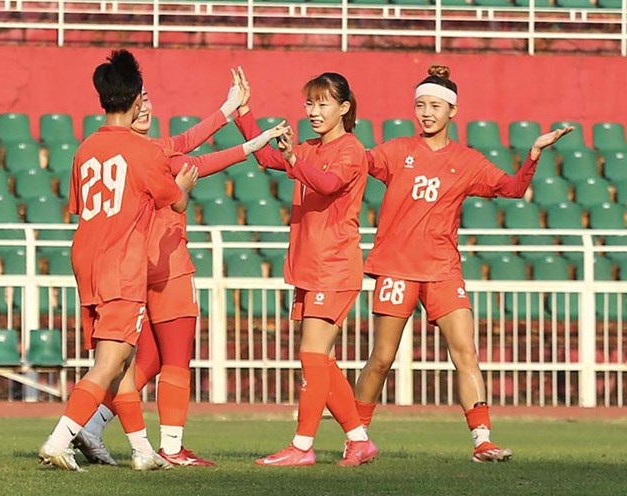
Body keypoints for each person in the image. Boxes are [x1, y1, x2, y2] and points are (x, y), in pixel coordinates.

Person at [353, 65, 573, 463]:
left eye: (435, 106)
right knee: (382, 357)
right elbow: (355, 165)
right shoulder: (396, 150)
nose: (426, 112)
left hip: (442, 269)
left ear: (452, 111)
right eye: (420, 105)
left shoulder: (467, 161)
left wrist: (535, 153)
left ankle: (482, 440)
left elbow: (513, 188)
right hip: (397, 267)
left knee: (465, 351)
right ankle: (357, 437)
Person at [74, 71, 282, 467]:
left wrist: (247, 134)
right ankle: (171, 448)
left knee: (141, 361)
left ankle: (93, 424)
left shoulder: (122, 150)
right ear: (129, 105)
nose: (146, 106)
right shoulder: (150, 153)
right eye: (142, 100)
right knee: (175, 357)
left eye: (149, 99)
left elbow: (197, 153)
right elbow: (196, 154)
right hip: (164, 265)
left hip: (128, 269)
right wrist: (239, 122)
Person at [38, 49, 197, 472]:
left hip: (86, 261)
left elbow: (80, 206)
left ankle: (143, 452)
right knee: (109, 363)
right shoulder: (142, 150)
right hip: (121, 265)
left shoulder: (85, 148)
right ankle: (60, 438)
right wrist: (183, 184)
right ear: (135, 98)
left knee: (123, 361)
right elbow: (175, 203)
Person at [230, 69, 373, 467]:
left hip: (335, 266)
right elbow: (262, 155)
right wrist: (243, 111)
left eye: (322, 103)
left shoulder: (351, 150)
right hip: (309, 267)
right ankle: (359, 439)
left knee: (312, 354)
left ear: (344, 108)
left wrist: (294, 157)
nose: (313, 110)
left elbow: (328, 184)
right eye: (309, 102)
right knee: (321, 361)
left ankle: (303, 445)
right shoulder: (308, 147)